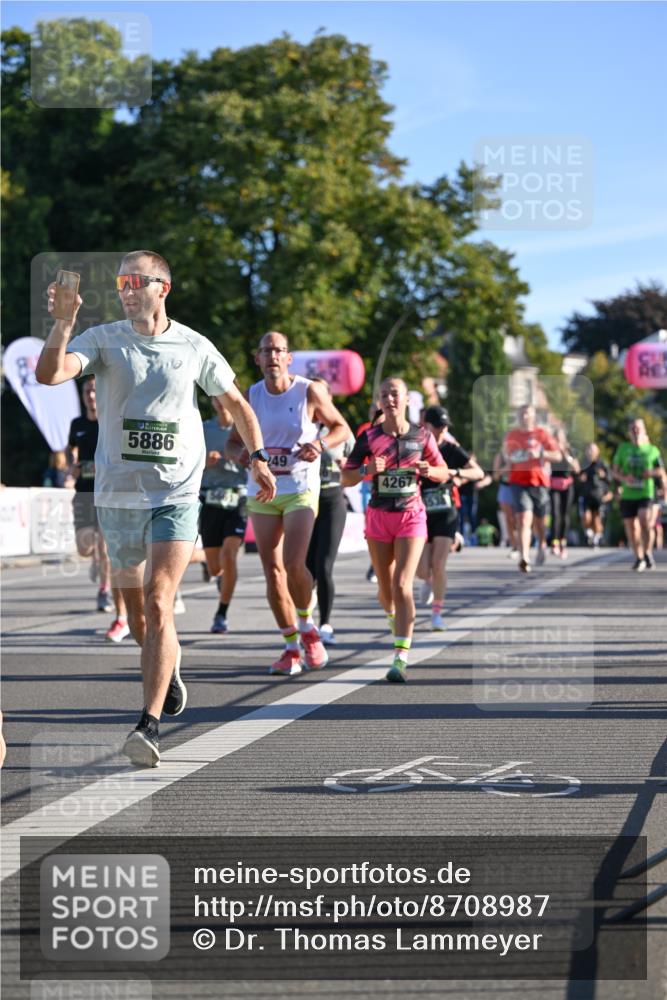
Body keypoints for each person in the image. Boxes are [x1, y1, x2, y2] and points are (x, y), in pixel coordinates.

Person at [37, 250, 276, 767]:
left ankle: (147, 725)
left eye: (135, 280)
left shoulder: (193, 346)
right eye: (120, 281)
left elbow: (236, 404)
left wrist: (257, 457)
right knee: (143, 616)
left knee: (160, 601)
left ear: (162, 288)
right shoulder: (103, 339)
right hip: (118, 493)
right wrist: (62, 323)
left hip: (175, 492)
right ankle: (168, 667)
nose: (125, 289)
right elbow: (50, 374)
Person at [226, 331, 351, 676]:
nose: (273, 357)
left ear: (289, 357)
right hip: (262, 490)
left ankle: (308, 625)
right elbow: (232, 442)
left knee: (295, 564)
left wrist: (321, 445)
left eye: (279, 351)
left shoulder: (308, 390)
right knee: (272, 571)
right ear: (258, 357)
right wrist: (242, 457)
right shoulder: (250, 395)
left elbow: (341, 427)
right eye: (266, 351)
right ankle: (291, 646)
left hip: (299, 487)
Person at [342, 377, 448, 682]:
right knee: (386, 590)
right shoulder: (370, 436)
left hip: (411, 516)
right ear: (379, 402)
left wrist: (431, 471)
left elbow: (442, 471)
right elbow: (345, 478)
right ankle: (393, 617)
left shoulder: (423, 436)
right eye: (385, 394)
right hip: (378, 516)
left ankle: (400, 657)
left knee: (403, 584)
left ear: (407, 401)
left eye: (395, 394)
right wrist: (366, 470)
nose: (390, 399)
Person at [67, 375, 130, 635]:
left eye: (94, 391)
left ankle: (104, 590)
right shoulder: (77, 424)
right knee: (85, 548)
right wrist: (73, 466)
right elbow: (71, 450)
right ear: (82, 396)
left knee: (105, 547)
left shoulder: (109, 421)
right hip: (83, 493)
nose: (91, 396)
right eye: (86, 392)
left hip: (105, 493)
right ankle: (96, 562)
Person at [416, 406, 483, 630]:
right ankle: (427, 580)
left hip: (445, 512)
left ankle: (437, 613)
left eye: (445, 427)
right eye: (438, 427)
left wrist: (455, 473)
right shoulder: (415, 446)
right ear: (426, 426)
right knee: (422, 569)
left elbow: (478, 472)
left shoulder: (451, 449)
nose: (443, 431)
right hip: (421, 513)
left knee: (438, 564)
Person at [305, 378, 355, 646]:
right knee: (303, 569)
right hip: (303, 501)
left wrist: (348, 467)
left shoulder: (341, 431)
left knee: (323, 567)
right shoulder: (300, 427)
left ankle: (325, 624)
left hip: (332, 500)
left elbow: (358, 471)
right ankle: (305, 622)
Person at [199, 396, 248, 633]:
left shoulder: (245, 429)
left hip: (238, 497)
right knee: (215, 568)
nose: (221, 401)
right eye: (216, 397)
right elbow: (188, 462)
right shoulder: (203, 428)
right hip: (209, 497)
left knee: (229, 556)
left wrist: (242, 459)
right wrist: (205, 463)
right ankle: (219, 576)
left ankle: (221, 613)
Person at [504, 404, 562, 573]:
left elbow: (558, 455)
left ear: (533, 416)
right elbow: (508, 455)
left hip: (540, 482)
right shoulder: (512, 435)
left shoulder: (542, 434)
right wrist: (513, 456)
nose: (524, 417)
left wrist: (541, 454)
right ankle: (525, 557)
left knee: (540, 521)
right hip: (518, 481)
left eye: (527, 414)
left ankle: (542, 543)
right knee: (523, 519)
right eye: (521, 414)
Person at [612, 418, 665, 571]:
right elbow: (614, 471)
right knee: (631, 528)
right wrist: (624, 479)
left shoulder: (652, 450)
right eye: (633, 428)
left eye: (638, 428)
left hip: (646, 493)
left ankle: (648, 552)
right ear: (629, 432)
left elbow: (661, 471)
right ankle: (639, 557)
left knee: (645, 522)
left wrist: (651, 473)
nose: (636, 431)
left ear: (644, 430)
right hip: (628, 494)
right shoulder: (623, 448)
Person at [548, 429, 580, 559]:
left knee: (564, 514)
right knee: (555, 513)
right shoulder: (550, 450)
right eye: (555, 437)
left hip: (567, 485)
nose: (557, 440)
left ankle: (563, 542)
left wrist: (565, 455)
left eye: (559, 437)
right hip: (553, 484)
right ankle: (554, 543)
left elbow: (576, 469)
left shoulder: (570, 450)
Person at [577, 443, 613, 547]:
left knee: (597, 519)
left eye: (592, 450)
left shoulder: (602, 464)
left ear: (597, 452)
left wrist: (604, 475)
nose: (590, 452)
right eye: (588, 450)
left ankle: (596, 538)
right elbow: (577, 477)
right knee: (586, 516)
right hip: (586, 494)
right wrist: (580, 477)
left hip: (599, 495)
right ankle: (589, 533)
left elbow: (610, 479)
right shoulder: (583, 464)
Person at [493, 450, 518, 558]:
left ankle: (521, 543)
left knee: (519, 518)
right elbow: (495, 476)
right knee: (509, 518)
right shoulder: (501, 455)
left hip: (519, 488)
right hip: (505, 488)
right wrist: (507, 467)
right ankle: (514, 546)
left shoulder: (520, 453)